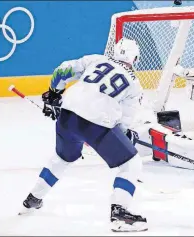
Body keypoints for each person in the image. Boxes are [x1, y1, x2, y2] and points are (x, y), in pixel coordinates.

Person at [19, 38, 148, 232]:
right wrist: (126, 137)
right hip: (96, 124)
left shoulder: (96, 60)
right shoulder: (135, 84)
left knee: (62, 158)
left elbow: (62, 70)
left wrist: (54, 94)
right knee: (131, 163)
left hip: (67, 115)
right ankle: (120, 213)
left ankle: (33, 199)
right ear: (134, 58)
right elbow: (123, 123)